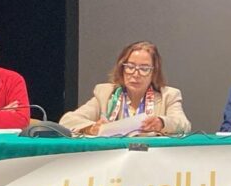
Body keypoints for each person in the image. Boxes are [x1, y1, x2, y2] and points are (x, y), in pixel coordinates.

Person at [59, 41, 191, 135]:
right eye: (130, 67)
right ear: (121, 69)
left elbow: (183, 125)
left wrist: (162, 123)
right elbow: (67, 121)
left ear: (154, 72)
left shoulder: (168, 95)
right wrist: (91, 128)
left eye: (144, 68)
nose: (136, 74)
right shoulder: (106, 94)